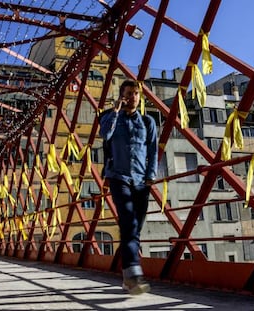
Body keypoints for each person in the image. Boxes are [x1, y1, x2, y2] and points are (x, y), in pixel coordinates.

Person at [99, 79, 158, 295]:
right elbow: (105, 135)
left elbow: (153, 151)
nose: (133, 97)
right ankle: (134, 275)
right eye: (129, 93)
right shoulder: (110, 118)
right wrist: (115, 110)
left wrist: (151, 175)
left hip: (141, 181)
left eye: (136, 93)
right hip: (118, 177)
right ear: (122, 96)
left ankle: (127, 277)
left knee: (134, 228)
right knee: (129, 222)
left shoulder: (148, 121)